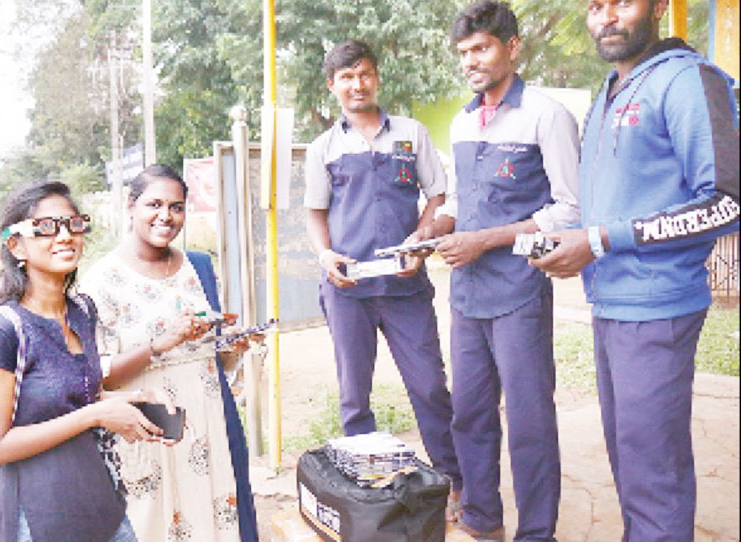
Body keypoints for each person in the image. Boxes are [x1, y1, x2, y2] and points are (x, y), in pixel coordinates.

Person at [530, 0, 739, 540]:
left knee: (654, 473)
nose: (606, 17)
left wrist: (600, 240)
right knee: (632, 462)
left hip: (659, 307)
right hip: (612, 304)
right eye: (595, 6)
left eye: (621, 2)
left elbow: (725, 203)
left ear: (660, 6)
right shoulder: (607, 92)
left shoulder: (689, 80)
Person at [415, 2, 582, 539]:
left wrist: (486, 239)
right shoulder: (464, 121)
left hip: (520, 290)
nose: (471, 61)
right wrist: (430, 233)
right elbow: (463, 199)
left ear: (512, 48)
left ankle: (537, 531)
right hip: (466, 292)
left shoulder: (547, 114)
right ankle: (483, 518)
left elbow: (570, 209)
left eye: (481, 48)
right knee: (470, 415)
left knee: (530, 422)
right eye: (463, 53)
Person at [303, 39, 463, 517]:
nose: (358, 84)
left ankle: (453, 483)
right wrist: (325, 254)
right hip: (348, 290)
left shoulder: (411, 135)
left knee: (431, 387)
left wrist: (423, 237)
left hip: (405, 287)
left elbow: (438, 196)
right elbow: (315, 213)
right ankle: (365, 495)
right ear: (332, 86)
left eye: (365, 74)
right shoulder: (323, 149)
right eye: (347, 77)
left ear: (377, 78)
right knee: (355, 396)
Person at [0, 180, 175, 542]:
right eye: (46, 227)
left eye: (73, 224)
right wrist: (95, 415)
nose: (64, 236)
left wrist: (135, 399)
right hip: (41, 518)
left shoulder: (82, 310)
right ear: (16, 245)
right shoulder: (2, 329)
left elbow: (80, 396)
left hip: (102, 504)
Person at [79, 164, 258, 542]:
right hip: (149, 429)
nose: (166, 216)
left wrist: (232, 348)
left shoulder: (200, 267)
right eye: (154, 204)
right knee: (153, 524)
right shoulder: (102, 280)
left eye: (176, 207)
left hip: (210, 424)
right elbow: (96, 375)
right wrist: (161, 344)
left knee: (218, 517)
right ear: (131, 206)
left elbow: (214, 359)